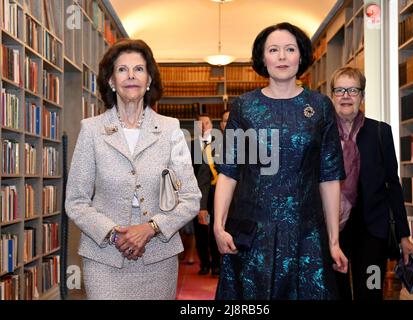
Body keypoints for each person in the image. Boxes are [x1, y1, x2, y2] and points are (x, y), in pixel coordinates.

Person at [213, 22, 348, 300]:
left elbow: (329, 176)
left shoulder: (321, 106)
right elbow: (228, 171)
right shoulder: (243, 106)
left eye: (290, 49)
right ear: (263, 58)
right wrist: (218, 224)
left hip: (306, 234)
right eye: (273, 50)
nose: (282, 57)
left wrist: (334, 241)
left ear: (301, 56)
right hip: (254, 234)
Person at [65, 39, 201, 299]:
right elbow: (76, 200)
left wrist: (151, 227)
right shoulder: (91, 130)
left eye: (139, 69)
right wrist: (114, 235)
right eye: (122, 69)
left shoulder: (171, 129)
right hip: (104, 257)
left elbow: (191, 198)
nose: (131, 76)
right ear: (111, 81)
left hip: (158, 258)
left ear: (149, 79)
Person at [329, 66, 413, 300]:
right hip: (332, 231)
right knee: (335, 293)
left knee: (370, 291)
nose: (346, 96)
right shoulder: (322, 135)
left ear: (362, 96)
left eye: (352, 90)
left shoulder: (380, 132)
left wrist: (403, 234)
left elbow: (393, 184)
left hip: (373, 233)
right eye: (340, 90)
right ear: (332, 96)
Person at [191, 113, 221, 276]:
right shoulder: (190, 146)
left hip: (216, 193)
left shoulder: (220, 143)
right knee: (201, 230)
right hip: (198, 193)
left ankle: (217, 264)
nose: (204, 126)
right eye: (200, 124)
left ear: (211, 124)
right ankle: (204, 263)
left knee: (215, 229)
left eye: (207, 123)